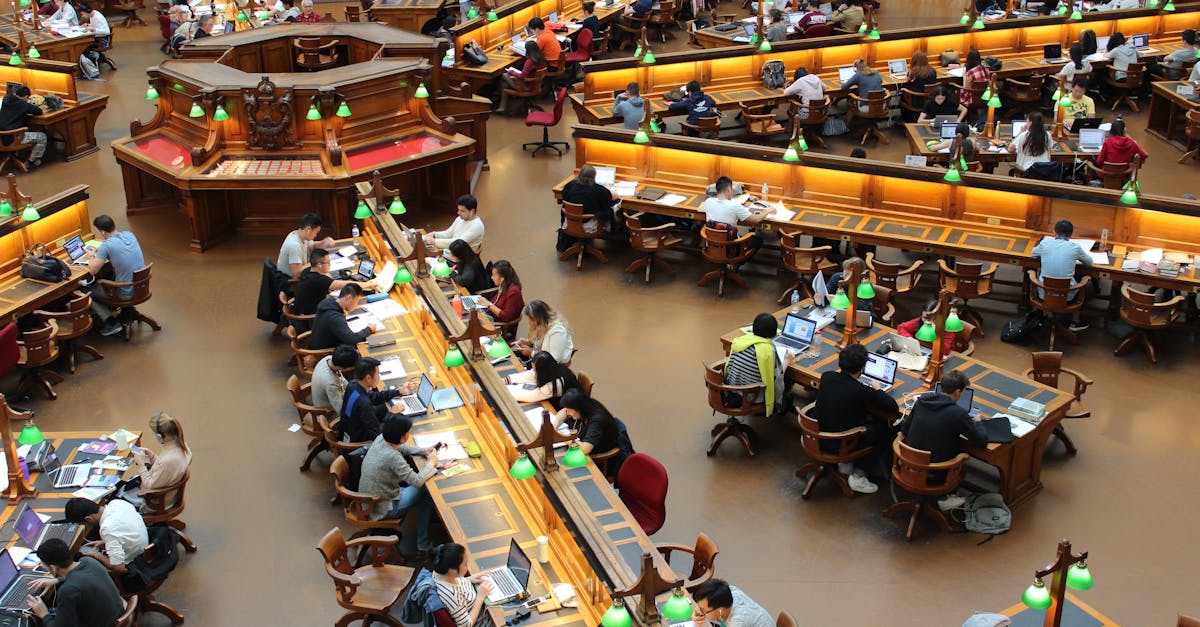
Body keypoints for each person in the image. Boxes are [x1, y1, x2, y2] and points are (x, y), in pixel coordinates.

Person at [812, 343, 899, 493]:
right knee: (885, 430)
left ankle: (846, 464)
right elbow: (893, 407)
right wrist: (878, 389)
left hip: (817, 434)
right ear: (862, 368)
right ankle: (859, 474)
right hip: (840, 442)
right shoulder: (860, 390)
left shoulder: (827, 376)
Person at [902, 369, 986, 508]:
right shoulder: (957, 413)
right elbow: (981, 441)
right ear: (958, 392)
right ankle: (945, 498)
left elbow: (905, 429)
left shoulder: (922, 401)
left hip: (907, 465)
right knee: (962, 456)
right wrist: (978, 422)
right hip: (934, 472)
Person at [358, 416, 438, 550]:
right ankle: (423, 544)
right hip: (384, 507)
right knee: (427, 489)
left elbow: (401, 447)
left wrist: (423, 451)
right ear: (402, 436)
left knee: (425, 491)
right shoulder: (393, 458)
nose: (409, 434)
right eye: (408, 432)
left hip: (368, 500)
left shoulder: (381, 439)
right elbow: (417, 481)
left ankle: (423, 543)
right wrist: (431, 463)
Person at [25, 538, 124, 627]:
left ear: (53, 568)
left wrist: (43, 614)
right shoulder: (89, 561)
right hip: (115, 614)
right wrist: (56, 580)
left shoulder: (68, 590)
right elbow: (82, 578)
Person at [725, 313, 799, 417]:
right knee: (787, 383)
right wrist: (787, 360)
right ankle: (780, 409)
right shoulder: (767, 351)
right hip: (751, 397)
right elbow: (776, 378)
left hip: (732, 390)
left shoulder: (740, 341)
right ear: (774, 334)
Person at [86, 214, 145, 337]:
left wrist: (91, 256)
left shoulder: (107, 246)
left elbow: (92, 271)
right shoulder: (129, 234)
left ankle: (111, 323)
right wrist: (101, 250)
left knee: (86, 292)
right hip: (141, 286)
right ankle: (122, 312)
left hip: (125, 292)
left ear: (102, 232)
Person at [1031, 219, 1092, 330]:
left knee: (1040, 271)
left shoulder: (1045, 244)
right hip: (1067, 297)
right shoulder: (1075, 247)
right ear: (1071, 235)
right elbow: (1089, 262)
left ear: (1054, 232)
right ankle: (1075, 321)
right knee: (1087, 283)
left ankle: (1046, 315)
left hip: (1043, 294)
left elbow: (1033, 254)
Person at [552, 389, 631, 474]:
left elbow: (585, 449)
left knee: (559, 469)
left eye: (569, 410)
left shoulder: (597, 420)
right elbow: (563, 411)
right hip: (585, 447)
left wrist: (564, 438)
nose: (567, 412)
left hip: (600, 462)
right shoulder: (587, 406)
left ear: (578, 408)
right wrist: (555, 425)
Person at [341, 357, 416, 443]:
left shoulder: (353, 384)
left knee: (383, 407)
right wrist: (391, 413)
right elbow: (378, 433)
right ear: (368, 378)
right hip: (359, 440)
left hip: (350, 428)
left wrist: (399, 391)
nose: (379, 377)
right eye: (378, 374)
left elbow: (375, 397)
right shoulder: (364, 404)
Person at [701, 176, 771, 264]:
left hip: (712, 246)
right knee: (757, 239)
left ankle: (728, 266)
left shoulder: (708, 202)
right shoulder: (735, 206)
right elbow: (756, 219)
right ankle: (735, 265)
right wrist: (768, 210)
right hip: (731, 249)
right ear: (729, 190)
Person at [64, 497, 148, 571]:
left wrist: (97, 555)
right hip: (143, 542)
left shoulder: (108, 528)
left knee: (82, 561)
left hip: (135, 561)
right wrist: (106, 542)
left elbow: (119, 567)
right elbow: (124, 531)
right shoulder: (118, 503)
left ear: (88, 519)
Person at [429, 543, 495, 627]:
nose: (467, 566)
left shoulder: (439, 573)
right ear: (452, 570)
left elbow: (454, 583)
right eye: (465, 564)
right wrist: (480, 597)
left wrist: (468, 579)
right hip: (480, 618)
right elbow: (467, 624)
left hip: (475, 596)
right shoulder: (452, 596)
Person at [294, 248, 372, 316]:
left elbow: (328, 279)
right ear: (319, 265)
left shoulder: (308, 270)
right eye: (328, 263)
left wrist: (326, 271)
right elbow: (347, 285)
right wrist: (368, 285)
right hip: (310, 315)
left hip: (303, 307)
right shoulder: (318, 280)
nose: (330, 264)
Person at [133, 411, 192, 493]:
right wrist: (152, 456)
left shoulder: (168, 460)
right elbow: (165, 469)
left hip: (155, 499)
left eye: (153, 434)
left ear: (159, 436)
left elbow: (149, 484)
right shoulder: (181, 446)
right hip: (166, 488)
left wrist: (141, 465)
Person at [310, 283, 378, 350]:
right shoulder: (335, 317)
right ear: (349, 298)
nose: (356, 305)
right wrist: (369, 329)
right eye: (356, 301)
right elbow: (351, 340)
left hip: (320, 343)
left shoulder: (329, 302)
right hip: (326, 352)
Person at [504, 350, 579, 407]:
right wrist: (506, 380)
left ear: (542, 371)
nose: (533, 371)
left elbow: (532, 396)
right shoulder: (552, 368)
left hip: (562, 407)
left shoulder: (556, 384)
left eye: (535, 369)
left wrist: (505, 393)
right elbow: (530, 374)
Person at [0, 85, 48, 170]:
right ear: (26, 97)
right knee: (42, 137)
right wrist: (28, 104)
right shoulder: (23, 104)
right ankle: (30, 162)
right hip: (13, 138)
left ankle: (22, 155)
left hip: (2, 138)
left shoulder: (6, 99)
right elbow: (39, 111)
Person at [691, 579, 774, 627]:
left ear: (721, 610)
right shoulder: (730, 591)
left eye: (704, 610)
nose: (701, 611)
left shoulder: (737, 622)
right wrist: (699, 610)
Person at [496, 38, 547, 114]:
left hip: (527, 86)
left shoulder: (530, 61)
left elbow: (521, 77)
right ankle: (502, 106)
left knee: (503, 75)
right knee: (504, 84)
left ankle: (501, 105)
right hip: (536, 85)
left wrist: (511, 71)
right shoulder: (541, 58)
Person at [561, 164, 616, 235]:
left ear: (580, 175)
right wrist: (607, 190)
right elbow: (610, 201)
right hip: (589, 226)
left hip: (570, 223)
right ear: (594, 177)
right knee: (613, 210)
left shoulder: (570, 186)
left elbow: (564, 198)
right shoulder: (599, 190)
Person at [278, 213, 334, 277]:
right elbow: (297, 272)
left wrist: (323, 243)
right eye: (316, 232)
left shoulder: (299, 234)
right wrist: (316, 263)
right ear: (308, 230)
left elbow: (311, 246)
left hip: (300, 271)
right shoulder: (294, 245)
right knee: (326, 276)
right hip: (289, 280)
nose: (316, 235)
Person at [475, 260, 523, 325]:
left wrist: (488, 304)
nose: (492, 277)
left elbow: (506, 317)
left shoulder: (513, 292)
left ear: (502, 278)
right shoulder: (504, 285)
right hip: (489, 313)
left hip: (495, 322)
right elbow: (495, 302)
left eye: (494, 275)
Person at [312, 344, 358, 410]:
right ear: (343, 368)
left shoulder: (329, 359)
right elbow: (341, 410)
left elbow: (342, 381)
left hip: (337, 395)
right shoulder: (331, 383)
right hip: (327, 411)